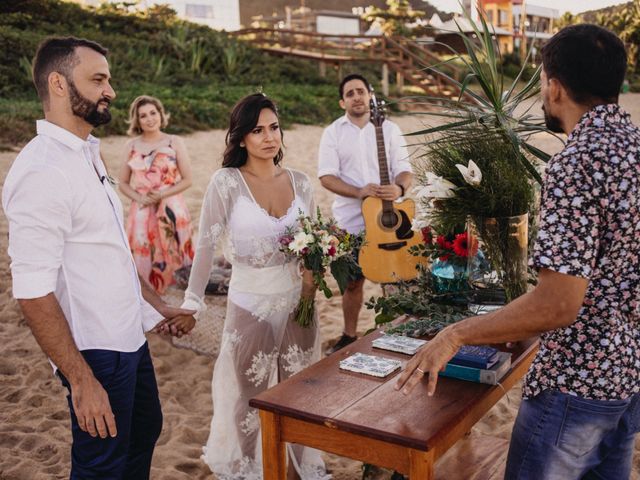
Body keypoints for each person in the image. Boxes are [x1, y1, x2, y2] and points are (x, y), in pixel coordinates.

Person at [396, 24, 640, 480]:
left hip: (575, 386)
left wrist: (455, 335)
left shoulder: (575, 163)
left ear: (554, 85)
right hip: (628, 376)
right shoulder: (635, 150)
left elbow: (558, 304)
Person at [2, 37, 195, 479]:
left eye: (108, 79)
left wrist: (156, 305)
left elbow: (112, 252)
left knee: (145, 430)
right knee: (101, 465)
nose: (110, 90)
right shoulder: (43, 170)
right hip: (95, 348)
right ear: (57, 83)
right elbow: (32, 292)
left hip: (129, 332)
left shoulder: (88, 154)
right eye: (98, 80)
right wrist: (82, 379)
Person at [165, 93, 328, 478]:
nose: (269, 137)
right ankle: (258, 469)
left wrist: (312, 284)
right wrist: (192, 303)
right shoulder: (227, 183)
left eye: (274, 128)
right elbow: (205, 247)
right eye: (258, 130)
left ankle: (296, 470)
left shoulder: (301, 184)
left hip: (298, 302)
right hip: (250, 302)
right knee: (250, 395)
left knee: (299, 395)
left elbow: (318, 245)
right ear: (240, 138)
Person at [318, 74, 413, 354]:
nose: (357, 96)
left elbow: (406, 171)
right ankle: (349, 334)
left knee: (394, 280)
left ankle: (397, 332)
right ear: (342, 101)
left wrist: (398, 187)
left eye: (361, 91)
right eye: (350, 93)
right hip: (350, 222)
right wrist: (359, 192)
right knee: (352, 283)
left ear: (371, 95)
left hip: (390, 221)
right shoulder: (333, 132)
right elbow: (326, 176)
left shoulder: (391, 129)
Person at [119, 95, 194, 294]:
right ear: (137, 120)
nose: (149, 119)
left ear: (160, 114)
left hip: (171, 205)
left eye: (153, 113)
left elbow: (188, 179)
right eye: (143, 116)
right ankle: (149, 294)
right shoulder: (131, 146)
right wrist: (140, 198)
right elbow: (123, 183)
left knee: (175, 252)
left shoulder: (174, 142)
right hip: (142, 208)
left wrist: (162, 194)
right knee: (145, 252)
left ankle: (177, 291)